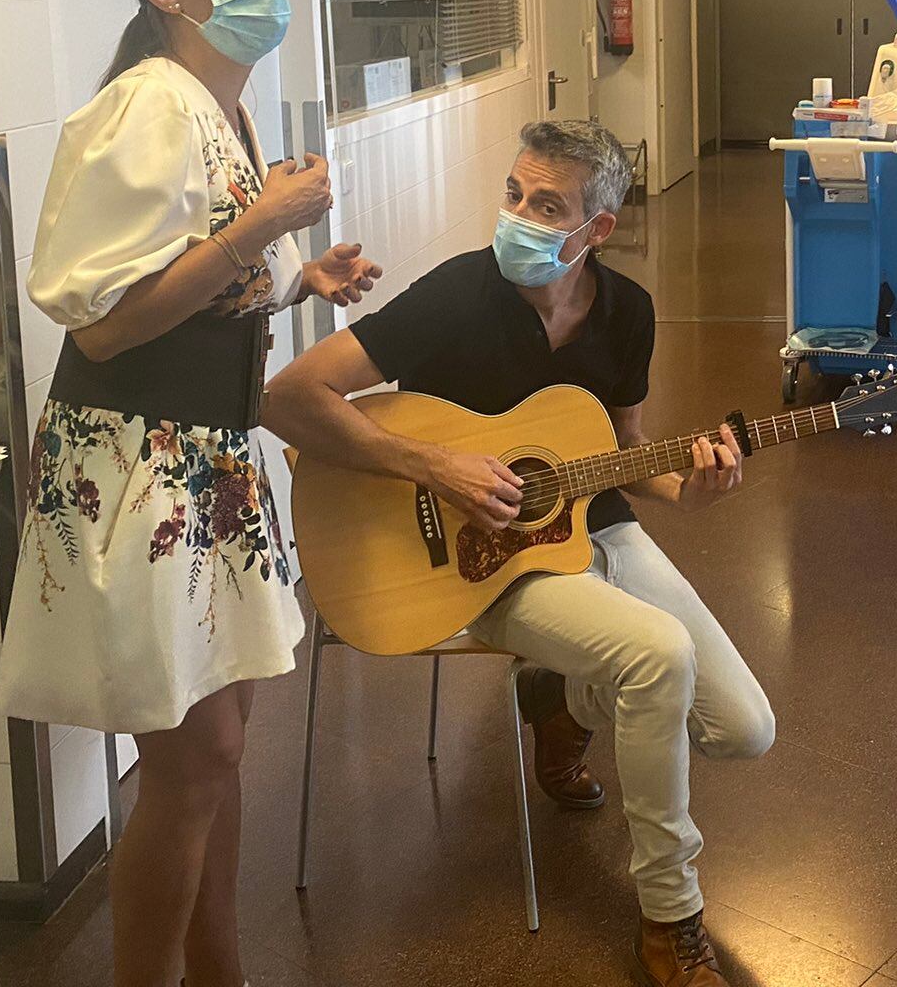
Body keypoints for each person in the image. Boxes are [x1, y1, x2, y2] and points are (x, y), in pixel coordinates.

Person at [264, 119, 774, 987]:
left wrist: (688, 488)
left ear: (598, 229)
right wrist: (437, 465)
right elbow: (289, 397)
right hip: (473, 561)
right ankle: (671, 915)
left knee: (743, 729)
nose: (519, 217)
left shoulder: (630, 313)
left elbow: (625, 452)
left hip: (593, 524)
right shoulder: (455, 296)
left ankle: (563, 694)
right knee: (657, 657)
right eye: (514, 194)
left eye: (547, 205)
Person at [0, 0, 382, 987]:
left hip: (207, 455)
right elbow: (108, 328)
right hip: (135, 458)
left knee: (217, 754)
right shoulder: (146, 104)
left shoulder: (223, 105)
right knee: (195, 754)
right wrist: (265, 224)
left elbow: (184, 279)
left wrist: (288, 277)